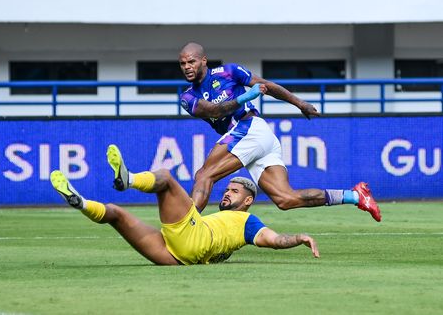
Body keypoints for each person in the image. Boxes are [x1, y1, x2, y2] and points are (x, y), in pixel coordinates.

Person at [176, 42, 381, 222]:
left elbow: (268, 86)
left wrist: (300, 103)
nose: (187, 67)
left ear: (204, 60)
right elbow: (215, 110)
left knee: (204, 175)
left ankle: (186, 227)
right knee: (285, 199)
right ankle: (355, 196)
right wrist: (245, 98)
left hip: (251, 128)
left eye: (191, 62)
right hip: (253, 138)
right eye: (183, 64)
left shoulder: (228, 72)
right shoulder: (187, 97)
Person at [50, 144, 319, 265]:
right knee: (116, 213)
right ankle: (81, 202)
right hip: (176, 257)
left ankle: (128, 179)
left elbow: (273, 239)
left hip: (194, 239)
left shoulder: (248, 222)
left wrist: (299, 237)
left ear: (248, 201)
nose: (226, 193)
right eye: (226, 189)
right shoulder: (222, 219)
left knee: (165, 177)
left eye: (234, 191)